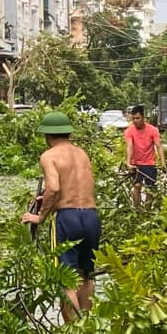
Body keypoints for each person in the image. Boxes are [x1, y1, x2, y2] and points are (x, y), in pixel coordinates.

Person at [22, 110, 100, 321]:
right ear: (68, 133)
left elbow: (55, 188)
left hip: (67, 218)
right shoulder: (82, 154)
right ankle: (87, 328)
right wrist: (47, 198)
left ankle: (72, 331)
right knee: (86, 275)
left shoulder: (48, 156)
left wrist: (40, 216)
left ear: (48, 136)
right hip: (91, 216)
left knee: (66, 279)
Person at [123, 104, 165, 206]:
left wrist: (163, 162)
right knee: (137, 186)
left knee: (150, 189)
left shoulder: (153, 130)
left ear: (143, 118)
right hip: (135, 164)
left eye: (138, 118)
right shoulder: (129, 131)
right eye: (133, 118)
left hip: (149, 163)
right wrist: (128, 163)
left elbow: (158, 146)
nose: (135, 121)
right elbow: (129, 146)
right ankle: (137, 211)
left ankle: (147, 211)